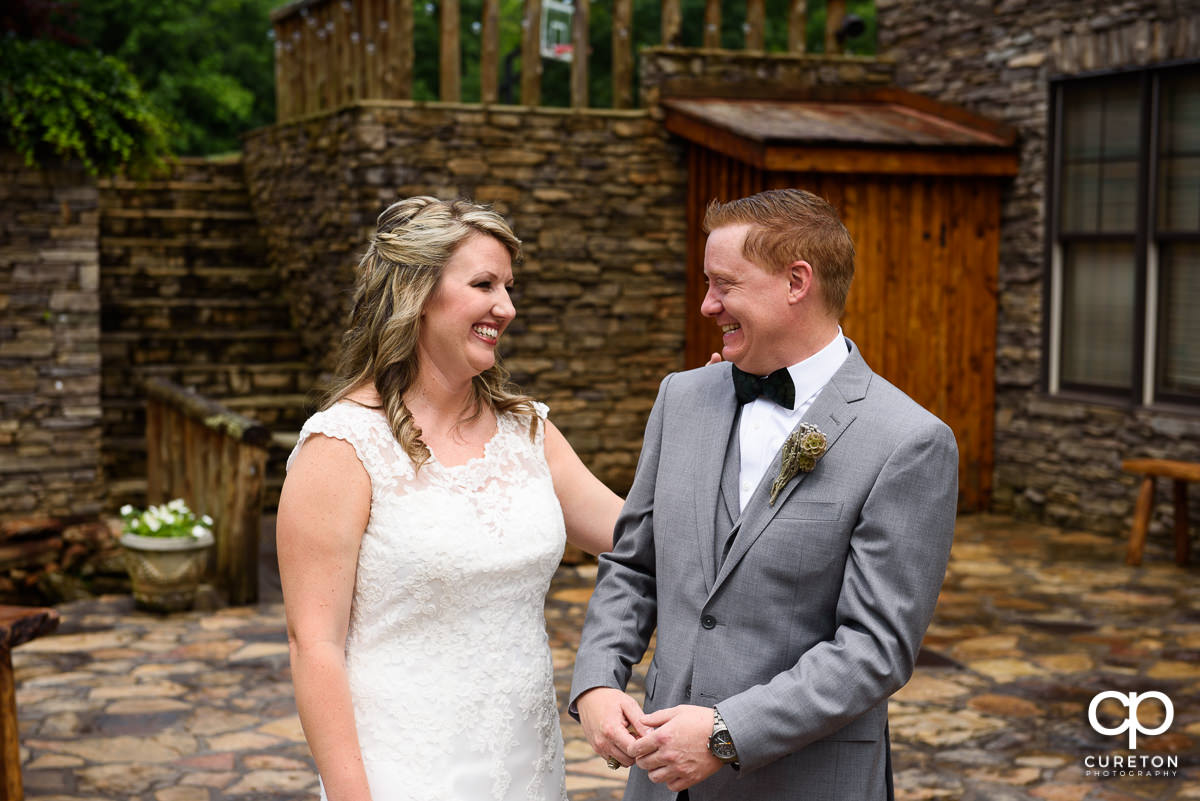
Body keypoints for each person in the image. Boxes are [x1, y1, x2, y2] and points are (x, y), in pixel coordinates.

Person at [570, 188, 959, 801]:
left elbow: (875, 648)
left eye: (724, 284)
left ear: (796, 282)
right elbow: (633, 565)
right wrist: (596, 680)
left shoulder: (908, 441)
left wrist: (727, 733)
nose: (706, 304)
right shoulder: (681, 398)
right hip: (662, 782)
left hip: (805, 782)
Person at [277, 196, 621, 801]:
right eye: (484, 284)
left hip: (526, 767)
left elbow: (635, 534)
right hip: (402, 770)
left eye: (509, 287)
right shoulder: (342, 445)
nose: (506, 308)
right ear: (415, 293)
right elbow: (315, 646)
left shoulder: (528, 430)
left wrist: (718, 420)